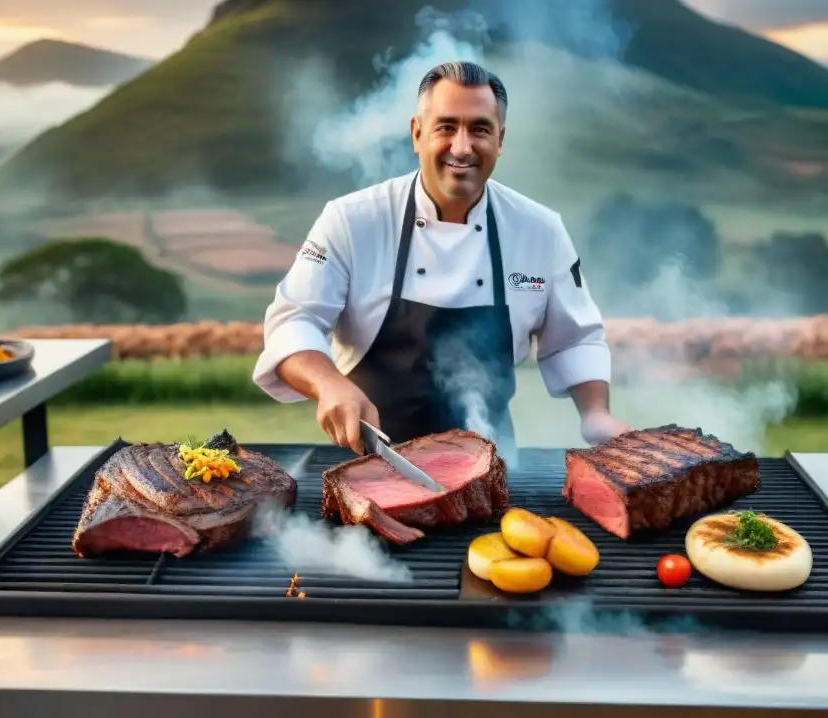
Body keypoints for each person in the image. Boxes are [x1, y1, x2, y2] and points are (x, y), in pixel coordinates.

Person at [253, 60, 631, 456]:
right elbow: (293, 320)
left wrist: (595, 414)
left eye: (480, 129)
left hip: (492, 463)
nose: (463, 147)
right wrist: (328, 383)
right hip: (370, 459)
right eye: (446, 127)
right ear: (418, 134)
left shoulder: (540, 230)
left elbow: (575, 338)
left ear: (500, 139)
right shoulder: (352, 220)